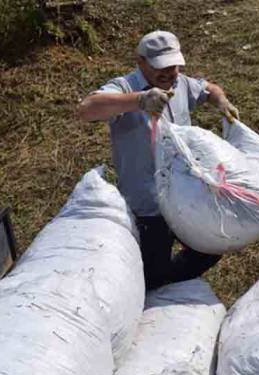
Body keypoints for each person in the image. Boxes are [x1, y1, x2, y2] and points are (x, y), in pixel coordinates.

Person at [77, 30, 240, 290]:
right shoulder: (124, 87)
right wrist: (140, 100)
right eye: (159, 68)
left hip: (186, 193)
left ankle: (173, 282)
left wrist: (221, 101)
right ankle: (158, 287)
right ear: (140, 62)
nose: (168, 74)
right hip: (147, 203)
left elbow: (208, 89)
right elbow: (87, 109)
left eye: (173, 66)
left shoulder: (181, 84)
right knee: (153, 272)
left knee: (212, 245)